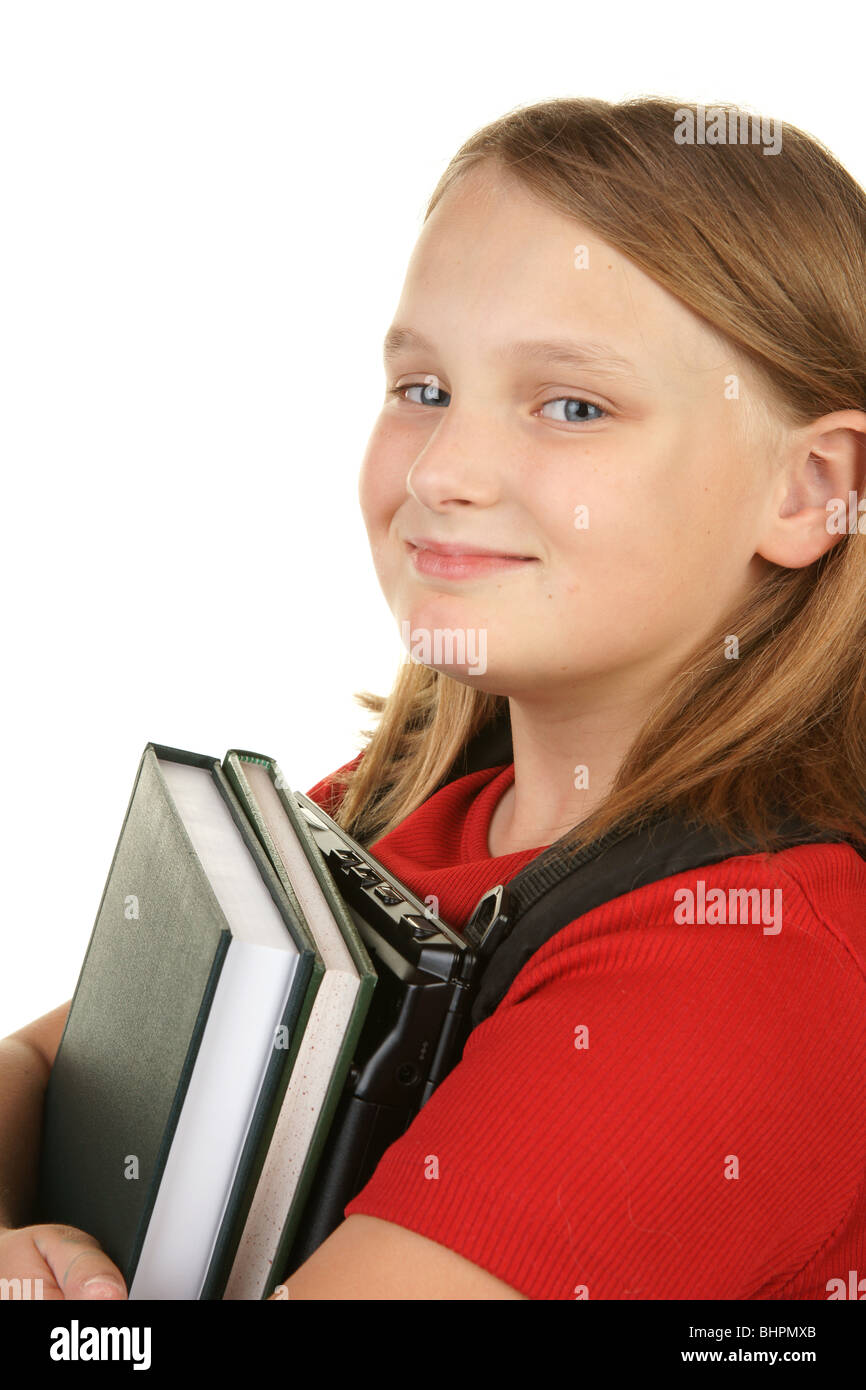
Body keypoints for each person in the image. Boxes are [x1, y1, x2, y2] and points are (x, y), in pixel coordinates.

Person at [1, 94, 865, 1301]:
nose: (442, 471)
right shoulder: (406, 797)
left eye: (572, 406)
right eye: (420, 388)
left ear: (811, 489)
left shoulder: (745, 965)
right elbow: (56, 1071)